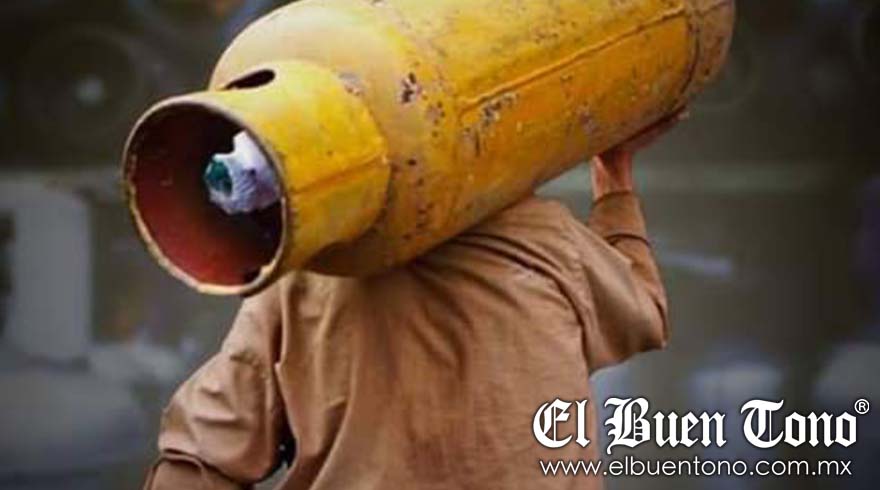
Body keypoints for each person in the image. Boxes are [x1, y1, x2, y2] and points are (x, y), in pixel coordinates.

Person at [143, 113, 683, 490]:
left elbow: (201, 460)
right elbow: (642, 315)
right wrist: (614, 178)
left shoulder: (312, 271)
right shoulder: (544, 241)